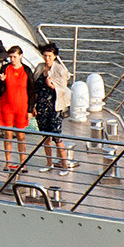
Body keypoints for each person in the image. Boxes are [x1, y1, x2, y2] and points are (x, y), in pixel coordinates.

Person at [33, 42, 74, 170]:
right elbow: (35, 88)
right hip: (41, 106)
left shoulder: (60, 70)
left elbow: (63, 89)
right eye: (45, 56)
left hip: (54, 107)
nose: (47, 58)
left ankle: (64, 166)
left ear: (54, 56)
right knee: (45, 137)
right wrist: (33, 106)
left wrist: (51, 86)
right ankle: (49, 163)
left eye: (50, 56)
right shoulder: (40, 68)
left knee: (57, 137)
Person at [0, 44, 33, 168]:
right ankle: (8, 162)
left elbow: (32, 91)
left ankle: (23, 163)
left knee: (21, 136)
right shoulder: (5, 68)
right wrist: (1, 81)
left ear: (20, 56)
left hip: (22, 106)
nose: (12, 60)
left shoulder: (26, 70)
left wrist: (31, 109)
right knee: (8, 135)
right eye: (10, 57)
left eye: (15, 57)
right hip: (7, 106)